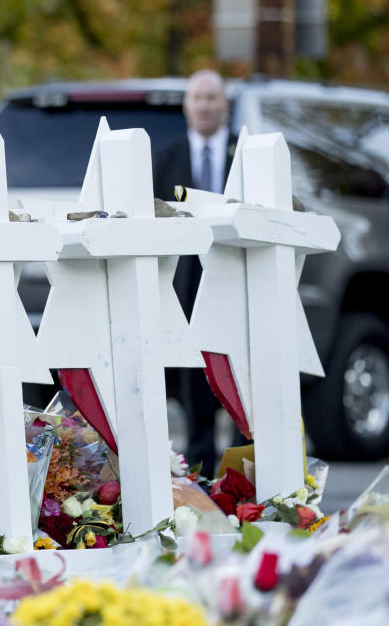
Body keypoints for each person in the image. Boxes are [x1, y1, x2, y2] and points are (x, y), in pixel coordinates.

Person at [152, 69, 237, 476]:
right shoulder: (164, 158)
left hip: (235, 277)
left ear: (226, 105)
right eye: (197, 98)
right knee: (193, 371)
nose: (204, 105)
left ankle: (241, 468)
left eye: (211, 97)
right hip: (184, 283)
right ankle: (200, 468)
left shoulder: (244, 154)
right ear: (186, 106)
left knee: (238, 369)